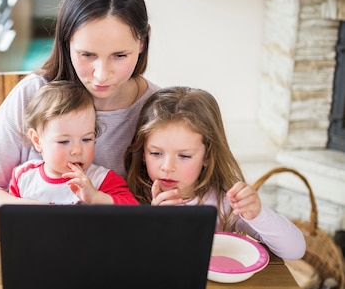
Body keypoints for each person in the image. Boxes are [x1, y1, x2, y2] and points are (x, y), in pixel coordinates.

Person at [0, 0, 159, 224]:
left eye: (120, 56)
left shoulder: (158, 109)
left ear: (142, 43)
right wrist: (46, 217)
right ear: (67, 42)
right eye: (87, 55)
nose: (101, 75)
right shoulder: (32, 94)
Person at [124, 86, 305, 260]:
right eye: (156, 153)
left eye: (184, 156)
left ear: (207, 155)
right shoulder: (129, 196)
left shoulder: (224, 201)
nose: (167, 166)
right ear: (142, 152)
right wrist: (155, 223)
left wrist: (258, 214)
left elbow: (295, 250)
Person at [9, 81, 138, 205]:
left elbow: (133, 212)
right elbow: (10, 221)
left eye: (86, 139)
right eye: (64, 141)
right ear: (37, 141)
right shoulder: (23, 177)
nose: (77, 150)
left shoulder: (101, 179)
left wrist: (95, 197)